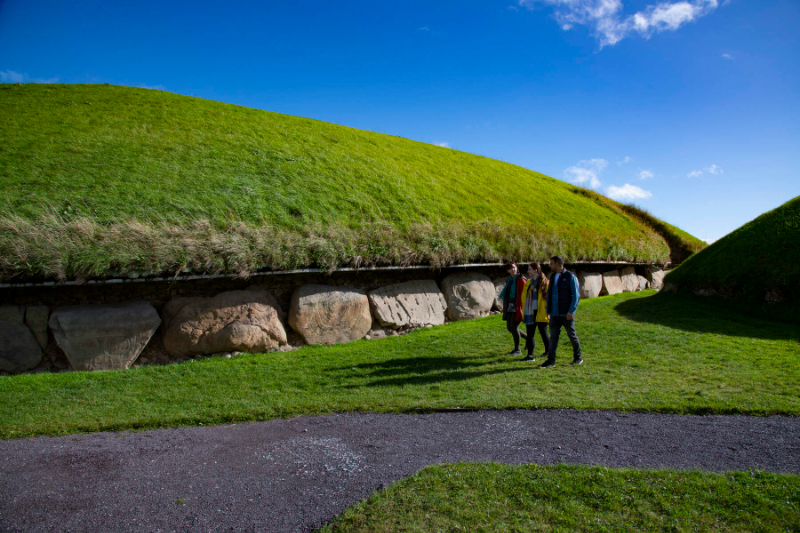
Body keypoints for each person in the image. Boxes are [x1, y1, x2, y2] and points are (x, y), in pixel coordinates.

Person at [540, 255, 583, 368]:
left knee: (572, 336)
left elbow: (576, 295)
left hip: (566, 314)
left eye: (552, 264)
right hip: (554, 314)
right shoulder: (553, 277)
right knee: (553, 337)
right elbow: (549, 294)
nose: (550, 266)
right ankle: (551, 360)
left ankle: (578, 357)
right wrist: (548, 309)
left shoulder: (570, 277)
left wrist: (571, 311)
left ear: (558, 264)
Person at [519, 262, 550, 362]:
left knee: (543, 332)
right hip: (530, 310)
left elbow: (548, 298)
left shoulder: (544, 283)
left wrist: (548, 311)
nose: (528, 271)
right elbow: (524, 296)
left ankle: (549, 351)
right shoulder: (528, 283)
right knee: (530, 333)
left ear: (536, 270)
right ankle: (530, 356)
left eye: (529, 269)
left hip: (541, 311)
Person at [498, 261, 526, 356]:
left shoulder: (521, 279)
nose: (513, 269)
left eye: (514, 267)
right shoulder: (509, 280)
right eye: (510, 268)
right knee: (510, 328)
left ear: (517, 267)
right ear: (508, 270)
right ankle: (529, 339)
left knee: (514, 327)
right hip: (510, 306)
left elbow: (525, 295)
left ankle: (517, 350)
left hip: (518, 306)